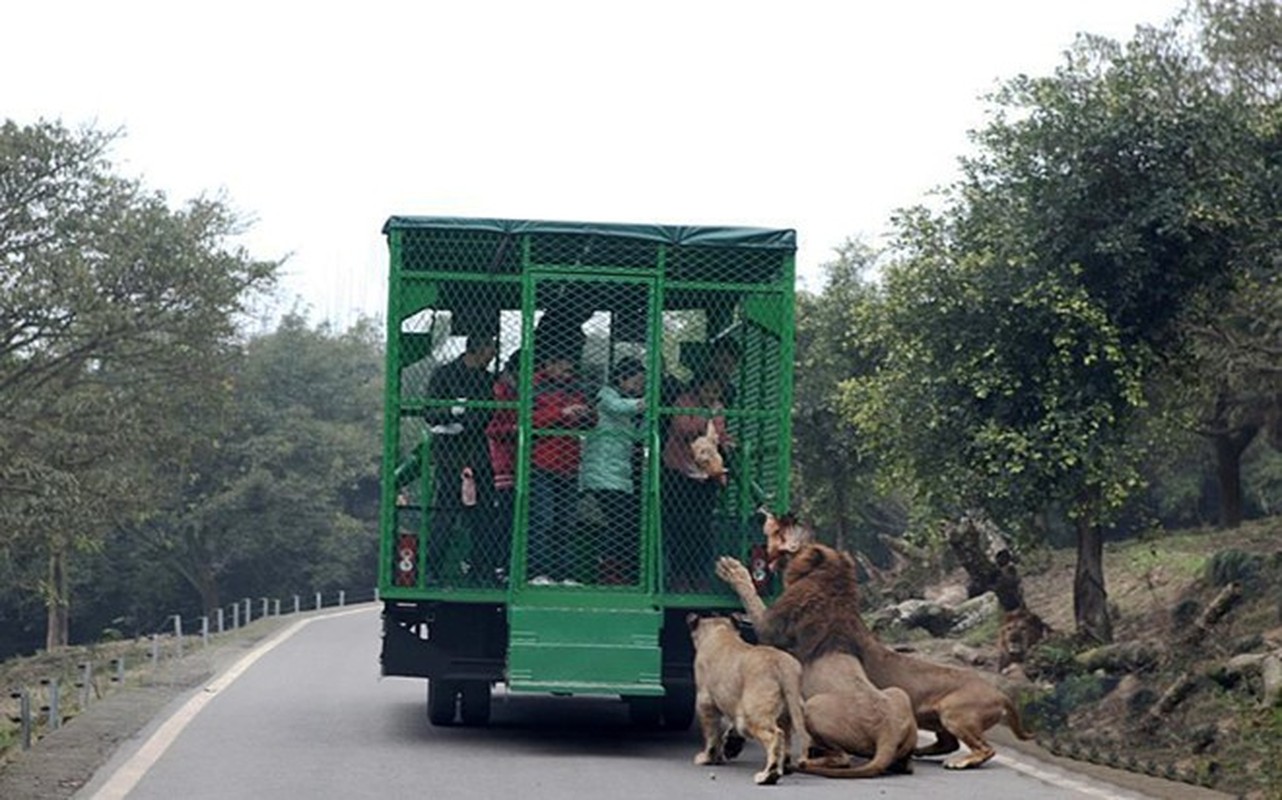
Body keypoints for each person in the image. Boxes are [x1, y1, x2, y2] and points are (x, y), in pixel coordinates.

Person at [424, 334, 497, 583]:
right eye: (491, 348)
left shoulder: (488, 380)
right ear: (479, 348)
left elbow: (488, 415)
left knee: (484, 514)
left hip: (481, 455)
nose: (494, 354)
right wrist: (452, 412)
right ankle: (431, 569)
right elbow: (430, 412)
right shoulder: (444, 374)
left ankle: (482, 570)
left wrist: (463, 421)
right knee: (446, 511)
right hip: (451, 457)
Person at [527, 339, 595, 583]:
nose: (569, 373)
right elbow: (528, 419)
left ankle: (563, 573)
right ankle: (537, 572)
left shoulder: (575, 388)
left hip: (568, 462)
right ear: (550, 365)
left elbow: (592, 421)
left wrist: (584, 413)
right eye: (564, 368)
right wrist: (560, 413)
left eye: (570, 369)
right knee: (543, 518)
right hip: (541, 461)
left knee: (565, 521)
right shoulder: (534, 385)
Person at [661, 371, 734, 592]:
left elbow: (719, 434)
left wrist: (726, 441)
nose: (712, 395)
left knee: (701, 528)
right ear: (698, 388)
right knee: (680, 525)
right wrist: (707, 420)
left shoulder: (718, 407)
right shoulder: (684, 402)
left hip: (705, 475)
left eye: (716, 391)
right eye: (708, 390)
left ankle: (699, 575)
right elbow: (683, 428)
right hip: (680, 472)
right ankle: (679, 576)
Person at [579, 357, 646, 585]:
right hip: (602, 472)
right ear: (621, 378)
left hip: (619, 474)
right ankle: (605, 566)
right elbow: (617, 408)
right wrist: (646, 403)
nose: (638, 388)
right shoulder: (606, 395)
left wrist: (647, 417)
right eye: (636, 382)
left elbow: (638, 436)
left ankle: (616, 569)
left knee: (625, 522)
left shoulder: (628, 410)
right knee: (619, 521)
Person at [483, 349, 522, 585]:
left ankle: (510, 565)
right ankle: (498, 564)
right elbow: (492, 428)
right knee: (505, 517)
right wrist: (514, 429)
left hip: (521, 462)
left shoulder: (519, 392)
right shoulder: (501, 391)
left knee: (515, 516)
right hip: (504, 462)